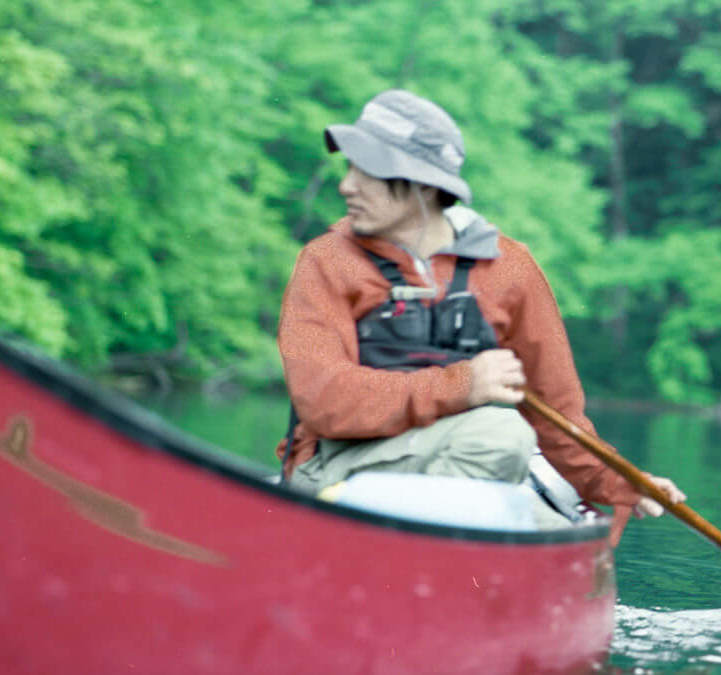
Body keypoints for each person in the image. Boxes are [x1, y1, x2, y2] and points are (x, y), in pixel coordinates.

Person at [276, 89, 682, 527]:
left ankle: (427, 552)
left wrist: (623, 482)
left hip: (455, 465)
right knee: (504, 436)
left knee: (556, 520)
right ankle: (402, 547)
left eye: (367, 170)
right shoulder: (326, 260)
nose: (346, 185)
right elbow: (323, 402)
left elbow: (561, 419)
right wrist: (462, 385)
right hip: (333, 473)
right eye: (349, 168)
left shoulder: (511, 269)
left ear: (425, 186)